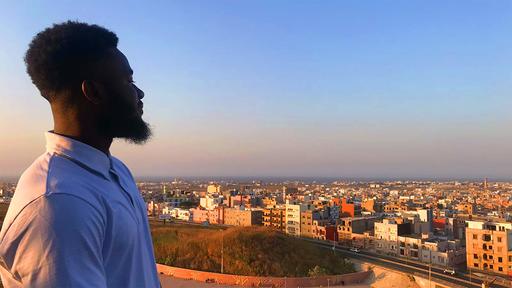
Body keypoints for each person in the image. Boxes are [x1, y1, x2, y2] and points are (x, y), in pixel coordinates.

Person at [0, 21, 160, 287]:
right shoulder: (58, 203)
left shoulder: (116, 170)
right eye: (129, 81)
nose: (140, 93)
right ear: (94, 92)